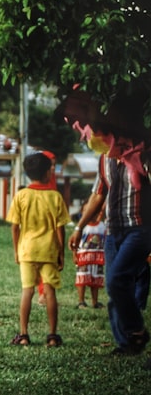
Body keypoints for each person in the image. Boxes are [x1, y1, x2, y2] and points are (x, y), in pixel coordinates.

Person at [69, 150, 151, 356]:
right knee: (114, 288)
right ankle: (127, 344)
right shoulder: (105, 158)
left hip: (139, 228)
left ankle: (136, 331)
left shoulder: (144, 155)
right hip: (113, 231)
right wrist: (79, 227)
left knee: (116, 280)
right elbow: (98, 193)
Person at [6, 152, 70, 347]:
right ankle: (52, 335)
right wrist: (61, 253)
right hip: (49, 251)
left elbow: (15, 227)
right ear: (47, 174)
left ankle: (23, 335)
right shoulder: (55, 197)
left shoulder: (21, 195)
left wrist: (17, 250)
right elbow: (61, 229)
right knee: (49, 292)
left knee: (27, 291)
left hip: (27, 250)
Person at [73, 203, 106, 309]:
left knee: (95, 280)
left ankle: (95, 302)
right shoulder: (81, 227)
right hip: (83, 257)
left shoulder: (102, 226)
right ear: (82, 212)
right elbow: (75, 242)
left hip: (97, 258)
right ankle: (81, 301)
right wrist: (74, 255)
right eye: (85, 210)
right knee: (82, 278)